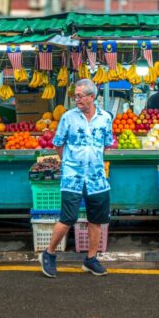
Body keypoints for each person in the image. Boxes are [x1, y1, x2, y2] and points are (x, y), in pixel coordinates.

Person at [40, 78, 114, 278]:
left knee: (96, 219)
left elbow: (108, 143)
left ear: (92, 97)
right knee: (68, 218)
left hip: (97, 177)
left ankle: (91, 259)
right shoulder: (68, 117)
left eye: (80, 96)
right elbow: (58, 143)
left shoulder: (106, 118)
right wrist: (68, 164)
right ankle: (48, 253)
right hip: (72, 177)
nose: (77, 100)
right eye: (75, 96)